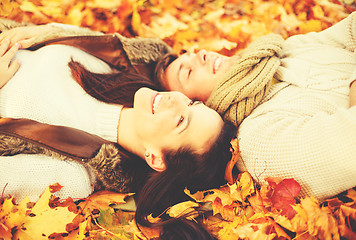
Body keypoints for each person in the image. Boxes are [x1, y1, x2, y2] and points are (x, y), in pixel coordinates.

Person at [0, 20, 236, 240]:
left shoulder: (72, 176)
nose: (175, 100)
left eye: (181, 121)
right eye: (191, 103)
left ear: (155, 157)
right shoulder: (122, 69)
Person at [155, 12, 356, 201]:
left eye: (193, 54)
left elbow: (350, 29)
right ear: (196, 106)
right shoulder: (258, 141)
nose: (202, 55)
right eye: (188, 72)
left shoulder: (276, 54)